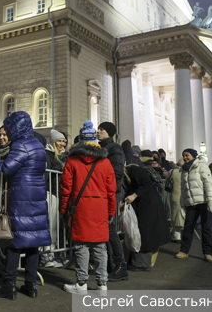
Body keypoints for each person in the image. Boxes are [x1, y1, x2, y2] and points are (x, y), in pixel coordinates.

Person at [0, 111, 50, 300]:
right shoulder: (37, 144)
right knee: (33, 243)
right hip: (37, 197)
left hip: (21, 197)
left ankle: (9, 286)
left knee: (14, 242)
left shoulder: (21, 145)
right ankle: (31, 286)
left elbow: (7, 169)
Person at [60, 121, 116, 293]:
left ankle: (81, 284)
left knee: (81, 247)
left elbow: (65, 189)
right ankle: (102, 285)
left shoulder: (72, 161)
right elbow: (111, 190)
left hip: (80, 209)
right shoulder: (105, 162)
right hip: (100, 209)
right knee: (100, 248)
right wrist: (111, 211)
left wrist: (63, 210)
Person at [122, 164, 171, 272]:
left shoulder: (134, 170)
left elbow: (146, 185)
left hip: (147, 207)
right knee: (143, 234)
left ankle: (141, 264)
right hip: (147, 206)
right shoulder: (134, 171)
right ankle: (139, 263)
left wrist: (134, 196)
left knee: (144, 235)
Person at [96, 122, 128, 282]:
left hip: (109, 194)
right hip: (103, 193)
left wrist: (102, 186)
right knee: (106, 229)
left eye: (101, 129)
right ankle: (111, 265)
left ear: (109, 132)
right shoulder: (102, 148)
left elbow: (116, 172)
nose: (98, 131)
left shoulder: (114, 148)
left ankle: (120, 265)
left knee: (110, 228)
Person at [175, 149, 212, 263]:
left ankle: (207, 253)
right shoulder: (184, 170)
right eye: (183, 156)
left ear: (193, 156)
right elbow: (183, 189)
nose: (185, 158)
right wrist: (183, 204)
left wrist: (211, 201)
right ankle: (184, 251)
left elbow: (209, 184)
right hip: (191, 203)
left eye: (187, 155)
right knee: (188, 227)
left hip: (204, 202)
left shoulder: (201, 166)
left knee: (206, 228)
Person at [40, 129, 66, 268]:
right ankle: (46, 257)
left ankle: (55, 255)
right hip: (49, 194)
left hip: (57, 194)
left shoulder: (62, 156)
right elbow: (46, 175)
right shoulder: (47, 154)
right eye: (59, 141)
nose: (62, 144)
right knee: (49, 227)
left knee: (56, 228)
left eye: (64, 141)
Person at [165, 159, 185, 242]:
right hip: (186, 196)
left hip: (175, 195)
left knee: (176, 215)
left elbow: (167, 181)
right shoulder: (189, 171)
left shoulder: (172, 171)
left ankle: (177, 234)